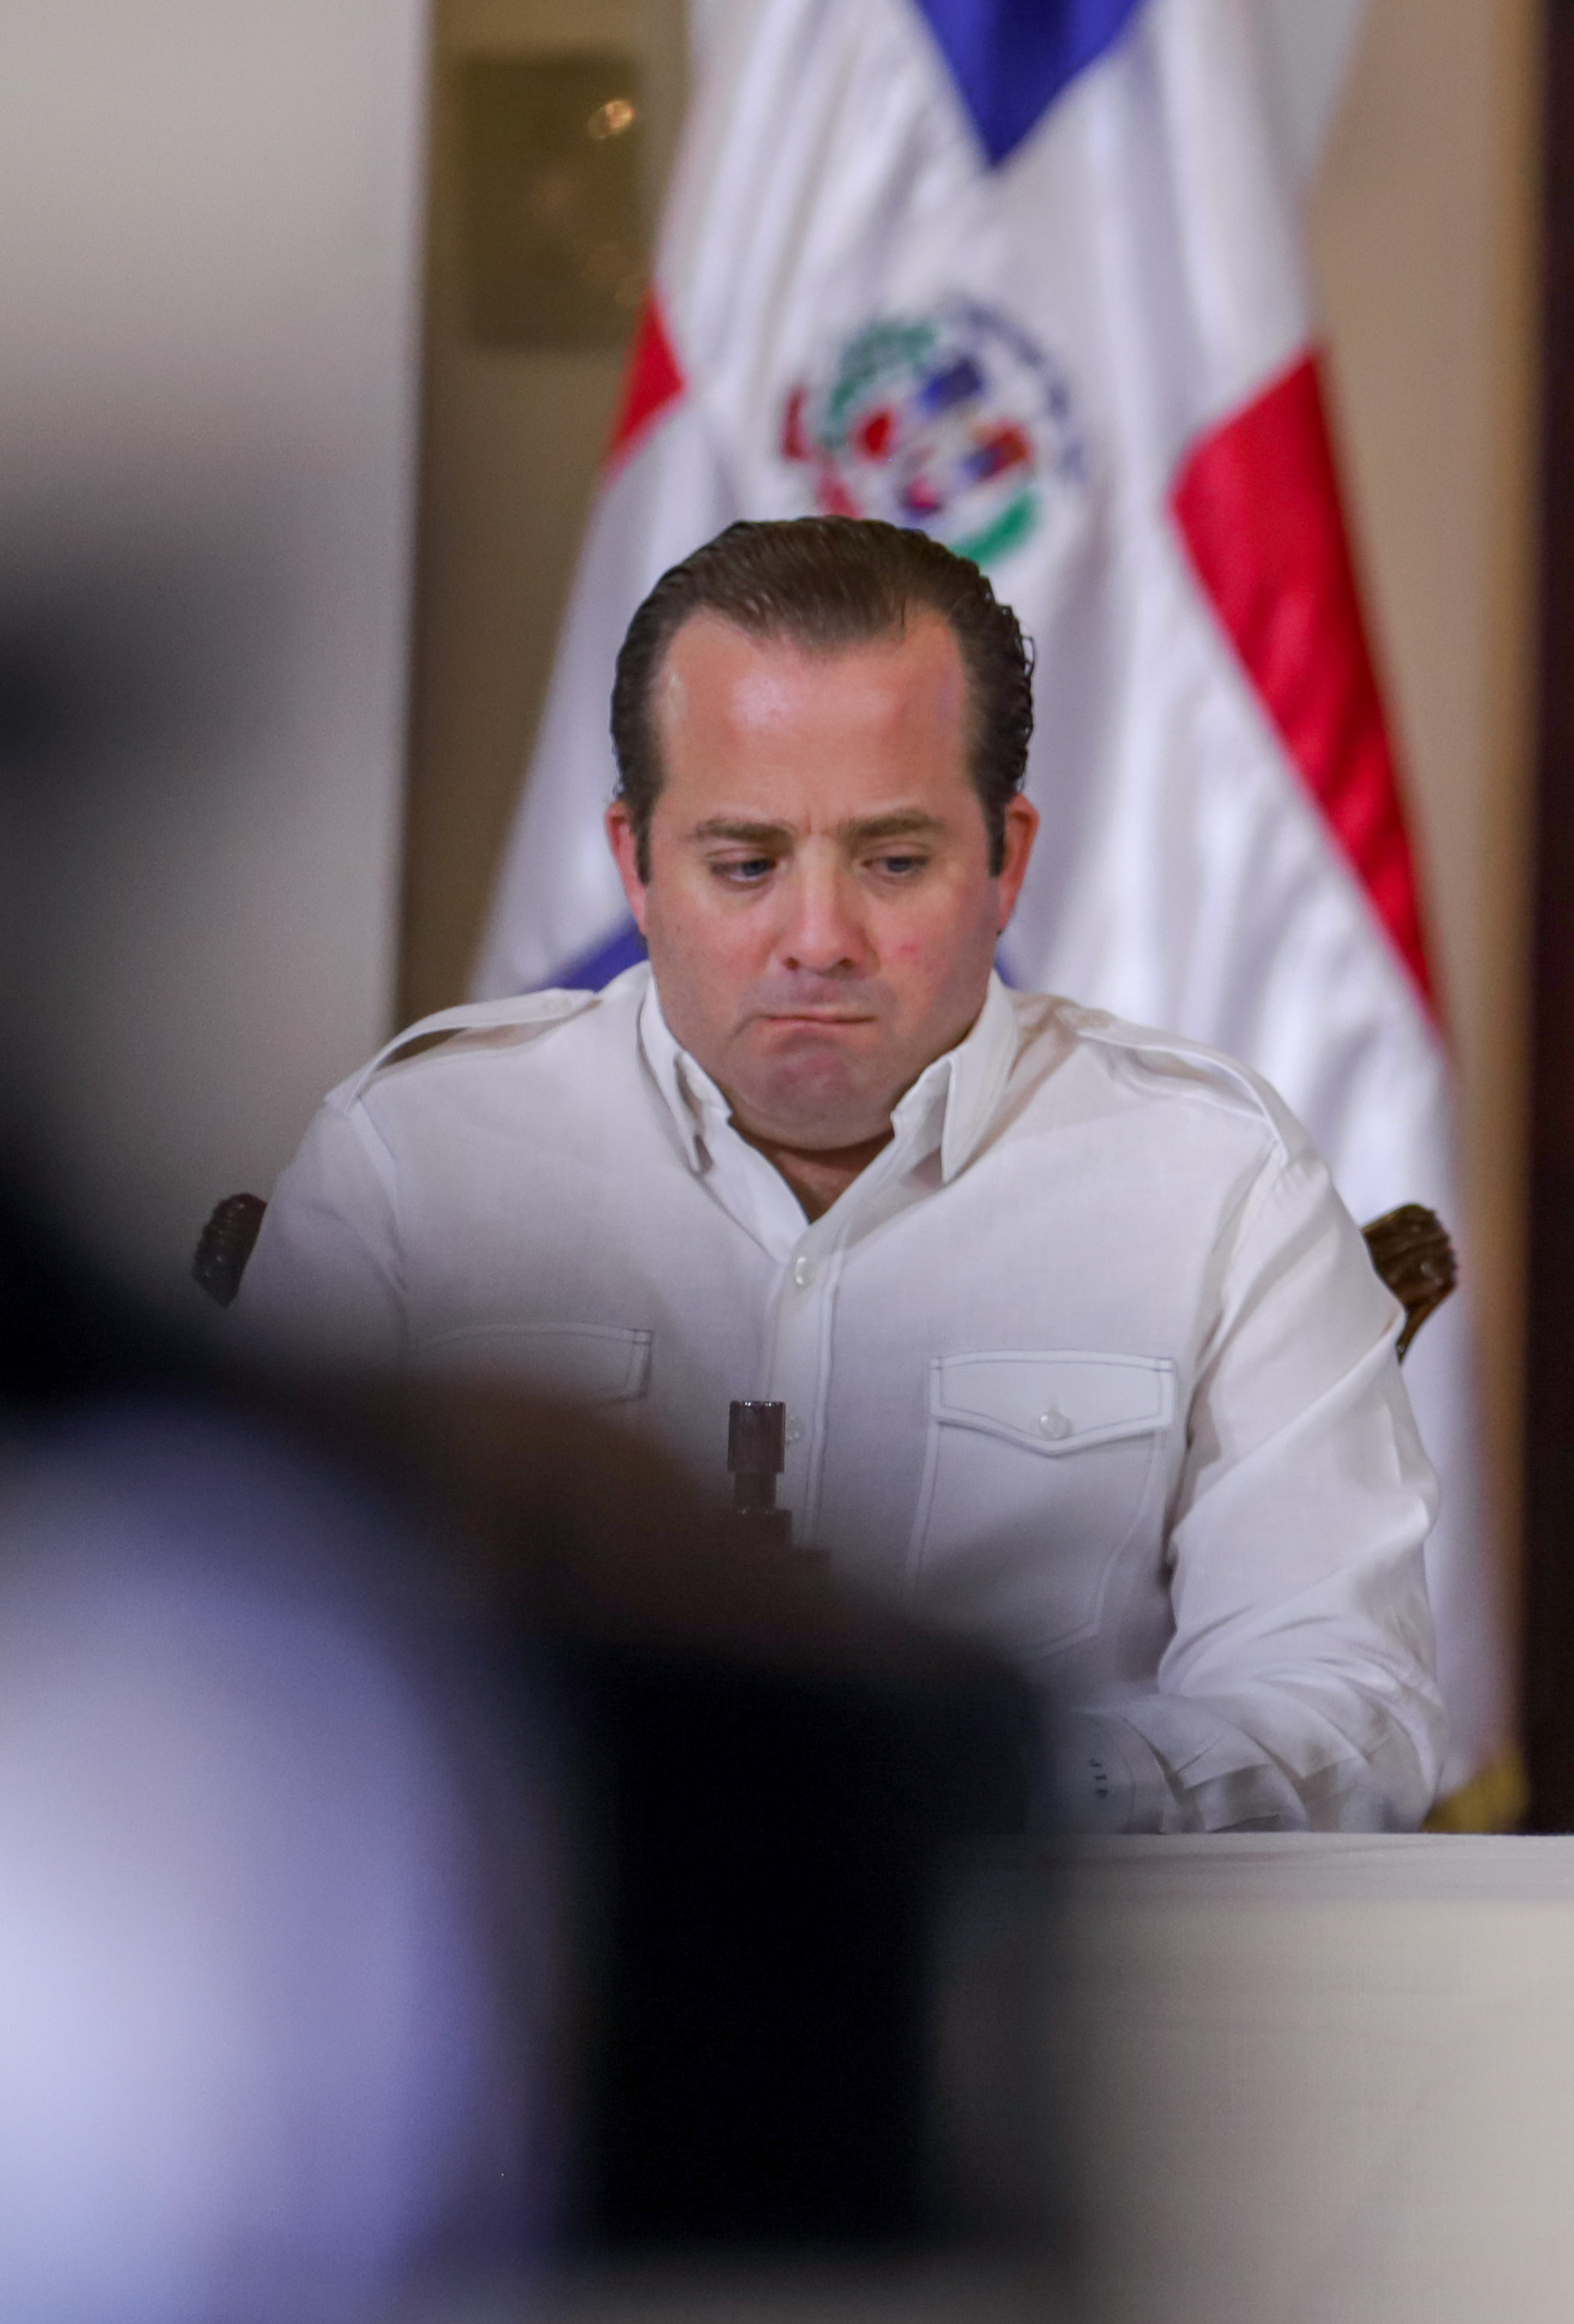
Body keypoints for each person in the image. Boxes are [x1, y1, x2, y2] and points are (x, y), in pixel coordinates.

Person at [241, 517, 1442, 1832]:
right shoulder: (415, 1161)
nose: (818, 939)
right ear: (635, 865)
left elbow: (1348, 1708)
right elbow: (233, 1659)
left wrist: (984, 1791)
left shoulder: (1216, 1181)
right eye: (746, 865)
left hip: (1050, 1933)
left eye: (894, 861)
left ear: (1006, 863)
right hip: (538, 1935)